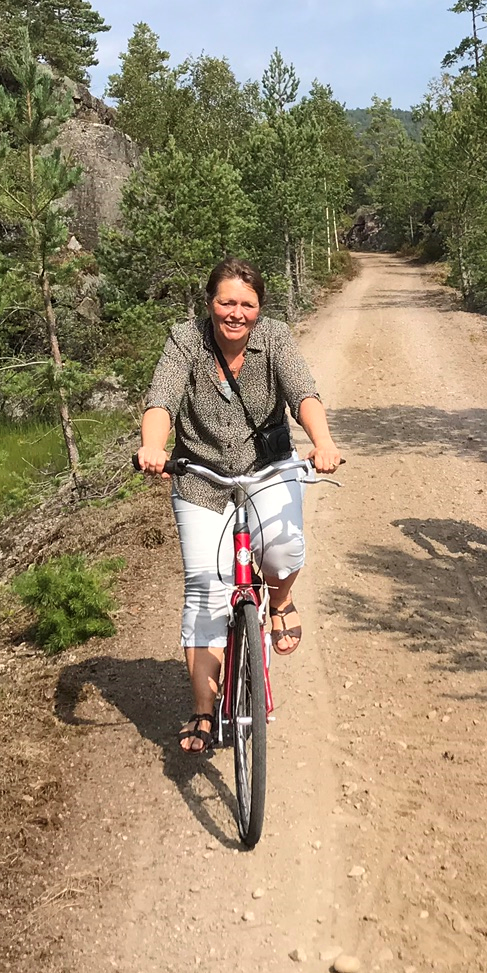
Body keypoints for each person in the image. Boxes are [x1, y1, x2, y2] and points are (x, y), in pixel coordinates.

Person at [137, 258, 344, 754]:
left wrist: (323, 440)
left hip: (266, 470)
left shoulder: (274, 337)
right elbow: (160, 401)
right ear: (209, 304)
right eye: (226, 302)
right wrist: (152, 446)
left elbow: (303, 393)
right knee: (204, 589)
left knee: (284, 549)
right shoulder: (184, 342)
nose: (236, 313)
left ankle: (279, 600)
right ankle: (203, 713)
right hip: (201, 479)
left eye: (246, 304)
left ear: (259, 308)